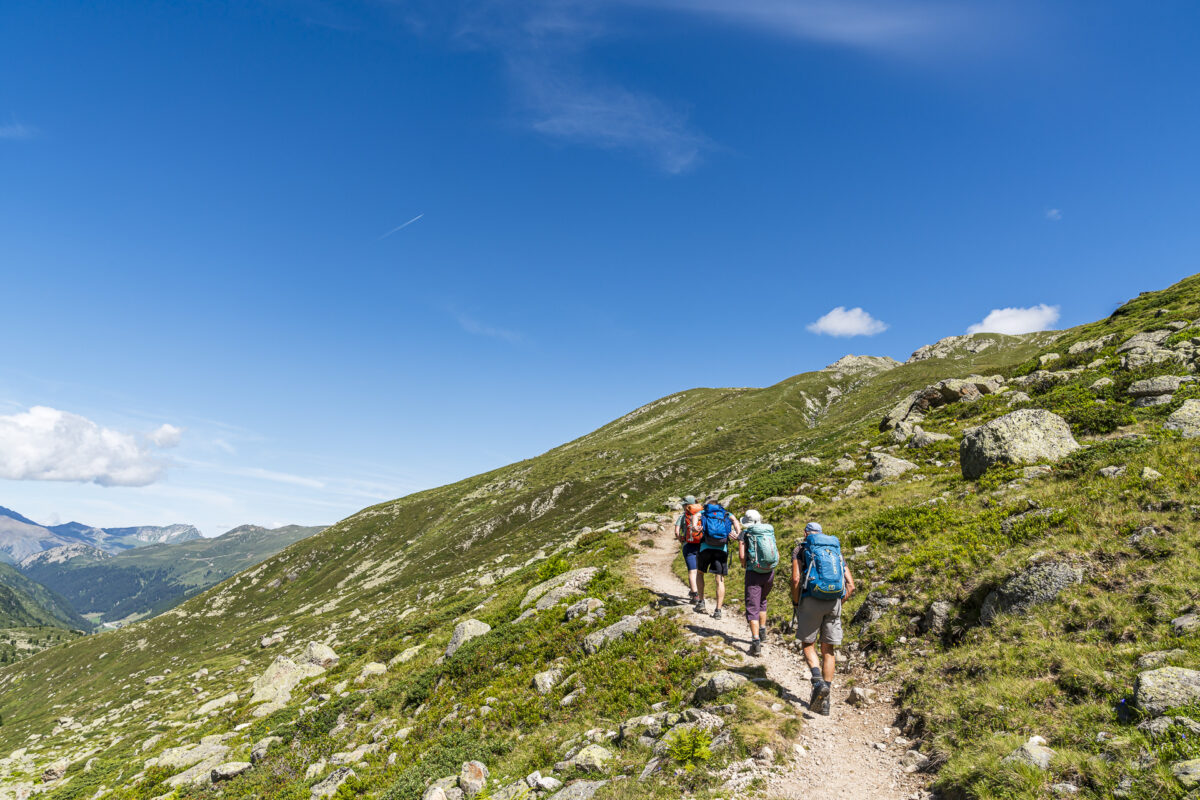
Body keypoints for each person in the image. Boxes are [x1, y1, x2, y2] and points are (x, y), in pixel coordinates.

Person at [790, 521, 855, 715]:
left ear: (806, 533)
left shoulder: (801, 549)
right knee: (828, 648)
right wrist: (837, 603)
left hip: (810, 599)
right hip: (834, 601)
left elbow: (795, 579)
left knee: (808, 643)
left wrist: (797, 603)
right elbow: (850, 585)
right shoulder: (835, 549)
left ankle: (817, 680)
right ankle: (825, 701)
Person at [737, 509, 779, 657]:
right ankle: (763, 632)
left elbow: (742, 556)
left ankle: (755, 644)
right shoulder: (767, 531)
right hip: (769, 572)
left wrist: (744, 564)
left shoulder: (745, 534)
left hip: (753, 572)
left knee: (752, 607)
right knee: (762, 600)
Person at [695, 497, 741, 619]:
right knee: (719, 579)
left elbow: (695, 516)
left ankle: (701, 601)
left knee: (700, 573)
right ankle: (718, 610)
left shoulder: (704, 512)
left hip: (705, 546)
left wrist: (695, 526)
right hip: (721, 548)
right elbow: (735, 521)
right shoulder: (725, 513)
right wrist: (738, 533)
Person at [675, 495, 705, 603]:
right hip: (702, 545)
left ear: (687, 505)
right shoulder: (702, 513)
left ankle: (695, 595)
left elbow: (677, 532)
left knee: (692, 571)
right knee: (699, 571)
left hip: (689, 545)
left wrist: (681, 540)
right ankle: (700, 593)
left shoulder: (683, 516)